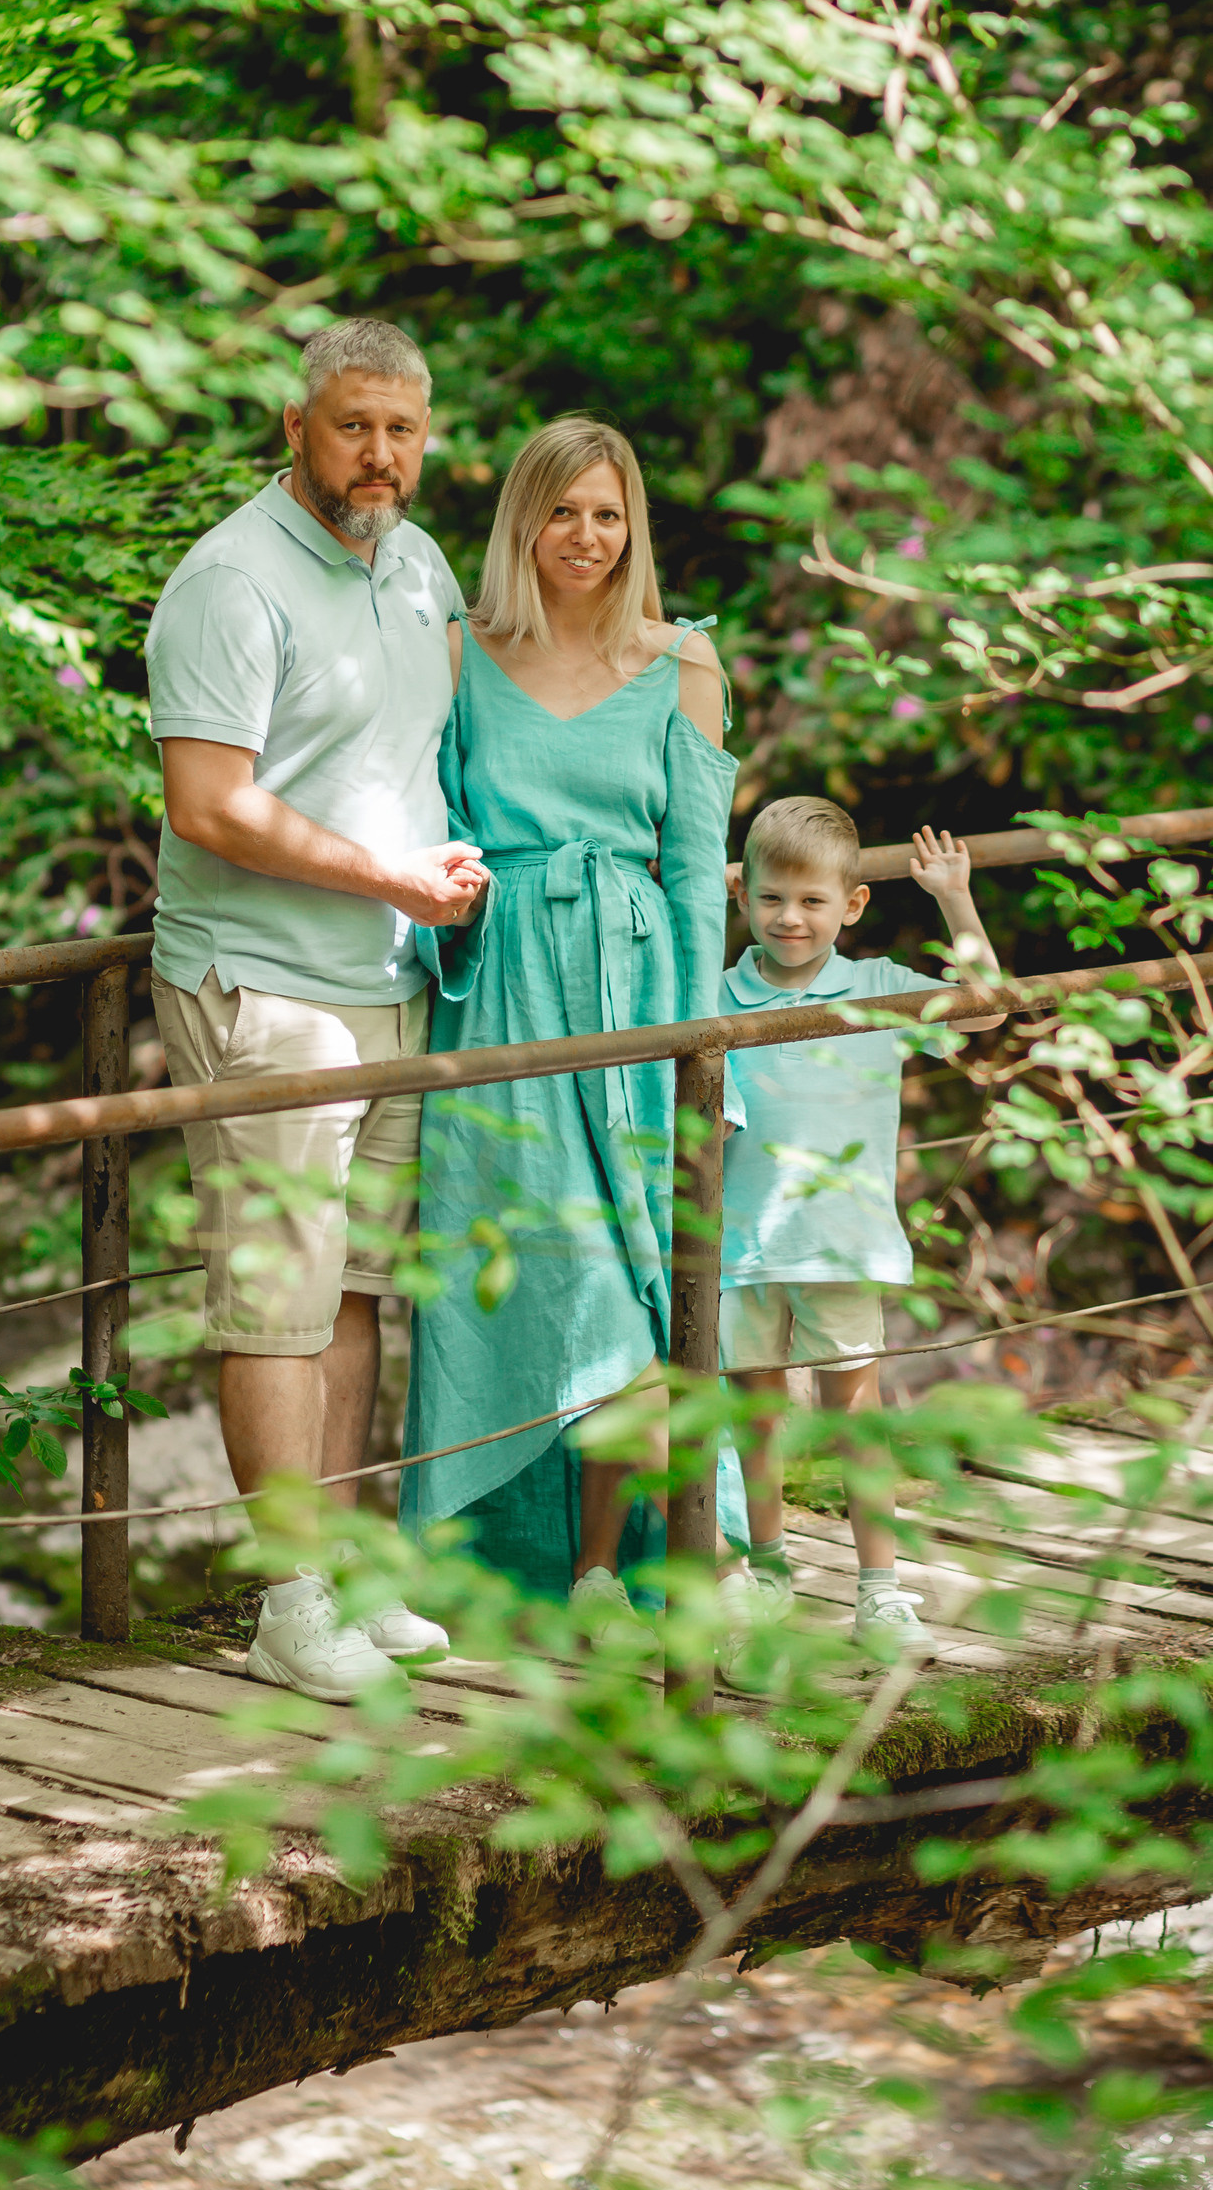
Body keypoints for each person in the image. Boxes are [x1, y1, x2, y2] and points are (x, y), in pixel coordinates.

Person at [145, 317, 484, 1702]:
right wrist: (385, 871)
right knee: (273, 1301)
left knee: (351, 1292)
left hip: (388, 982)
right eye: (351, 426)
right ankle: (287, 1605)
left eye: (400, 430)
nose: (378, 456)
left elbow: (449, 732)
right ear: (296, 428)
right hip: (265, 989)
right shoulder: (228, 582)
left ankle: (338, 1572)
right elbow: (207, 805)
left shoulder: (413, 563)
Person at [401, 416, 748, 1624]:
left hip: (642, 989)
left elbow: (700, 867)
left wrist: (701, 1042)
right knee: (537, 1279)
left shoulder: (684, 658)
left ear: (632, 525)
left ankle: (661, 1563)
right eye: (562, 512)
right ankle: (524, 1563)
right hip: (503, 995)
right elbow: (426, 825)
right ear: (521, 522)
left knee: (653, 1277)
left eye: (608, 514)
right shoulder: (461, 649)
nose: (586, 537)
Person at [717, 797, 999, 1669]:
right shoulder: (714, 995)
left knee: (853, 1418)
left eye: (809, 901)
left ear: (851, 905)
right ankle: (766, 1567)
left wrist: (954, 898)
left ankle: (879, 1588)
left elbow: (984, 1009)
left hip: (839, 1240)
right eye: (770, 899)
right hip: (738, 1247)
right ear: (743, 899)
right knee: (752, 1419)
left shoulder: (876, 988)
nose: (788, 919)